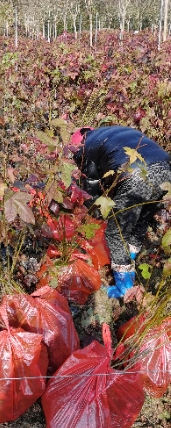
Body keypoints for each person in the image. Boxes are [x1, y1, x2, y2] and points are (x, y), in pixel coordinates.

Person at [67, 125, 171, 298]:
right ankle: (130, 257)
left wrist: (95, 213)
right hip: (166, 171)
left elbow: (91, 190)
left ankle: (124, 287)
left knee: (116, 233)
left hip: (137, 176)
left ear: (78, 146)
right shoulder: (112, 132)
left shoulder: (86, 150)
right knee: (141, 220)